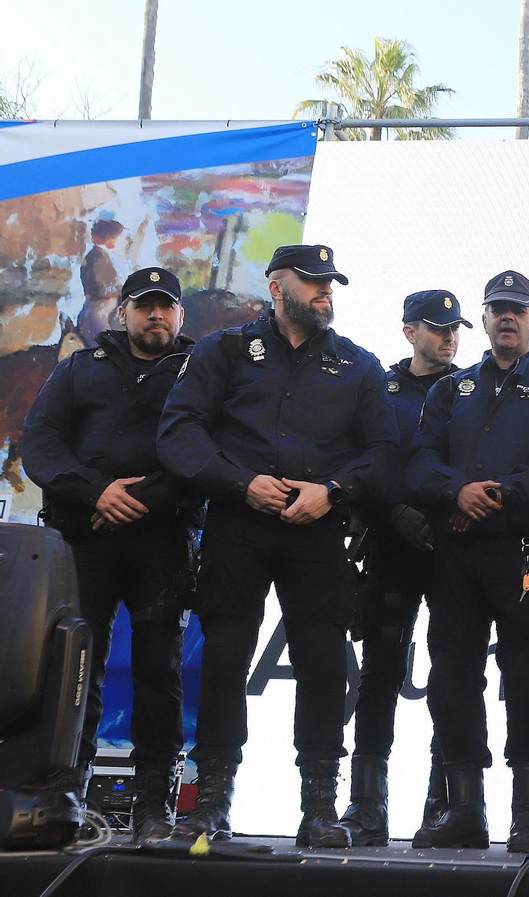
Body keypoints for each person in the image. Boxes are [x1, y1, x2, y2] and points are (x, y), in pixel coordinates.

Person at [158, 244, 398, 848]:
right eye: (312, 281)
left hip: (318, 529)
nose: (325, 291)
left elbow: (387, 453)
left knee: (321, 663)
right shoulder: (225, 350)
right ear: (275, 285)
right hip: (239, 524)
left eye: (330, 283)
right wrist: (239, 483)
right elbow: (179, 431)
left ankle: (319, 807)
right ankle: (211, 801)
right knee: (223, 658)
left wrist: (335, 490)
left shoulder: (358, 364)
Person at [22, 266, 195, 842]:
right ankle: (65, 792)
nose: (156, 316)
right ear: (122, 312)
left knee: (157, 670)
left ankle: (154, 806)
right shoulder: (79, 368)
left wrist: (135, 499)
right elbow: (40, 444)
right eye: (144, 306)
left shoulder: (201, 373)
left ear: (180, 316)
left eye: (166, 307)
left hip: (161, 543)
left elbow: (212, 453)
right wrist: (95, 491)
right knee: (75, 668)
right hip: (86, 539)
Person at [405, 270, 529, 852]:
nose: (507, 317)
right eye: (498, 308)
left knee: (527, 677)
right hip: (456, 555)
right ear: (483, 318)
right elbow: (418, 463)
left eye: (518, 309)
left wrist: (499, 494)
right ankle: (465, 811)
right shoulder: (451, 390)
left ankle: (527, 815)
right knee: (451, 677)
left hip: (523, 552)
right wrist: (457, 492)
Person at [339, 289, 468, 846]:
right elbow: (361, 460)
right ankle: (367, 807)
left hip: (453, 549)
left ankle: (443, 807)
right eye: (437, 327)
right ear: (409, 332)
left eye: (455, 328)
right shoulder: (378, 387)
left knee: (452, 679)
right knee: (380, 677)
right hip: (390, 548)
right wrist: (392, 511)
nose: (448, 337)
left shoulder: (471, 390)